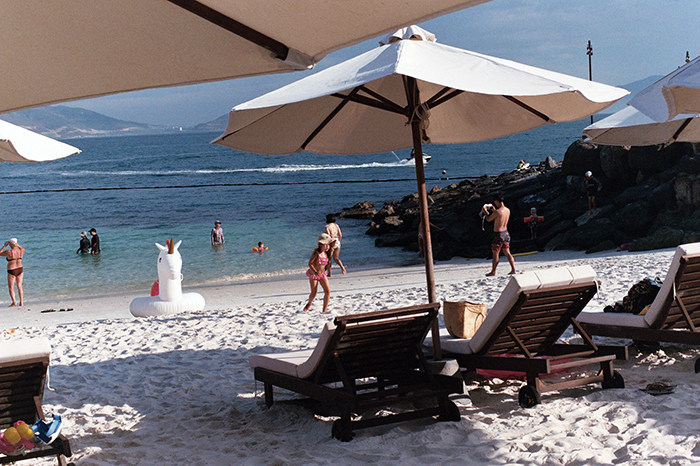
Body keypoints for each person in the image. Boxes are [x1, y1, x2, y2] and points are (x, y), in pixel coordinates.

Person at [482, 193, 516, 276]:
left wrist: (485, 212)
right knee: (507, 252)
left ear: (496, 201)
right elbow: (499, 216)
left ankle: (493, 271)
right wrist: (494, 210)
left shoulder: (497, 212)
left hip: (498, 234)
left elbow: (489, 219)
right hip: (506, 233)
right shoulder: (507, 210)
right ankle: (513, 269)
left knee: (495, 253)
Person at [303, 233, 333, 313]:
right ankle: (309, 303)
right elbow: (310, 263)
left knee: (327, 291)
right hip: (314, 274)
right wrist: (315, 271)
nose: (327, 247)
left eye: (328, 245)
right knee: (314, 293)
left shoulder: (326, 253)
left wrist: (328, 271)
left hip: (322, 274)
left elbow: (327, 264)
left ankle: (324, 309)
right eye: (325, 245)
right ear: (320, 245)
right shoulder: (316, 253)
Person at [0, 238, 25, 307]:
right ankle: (21, 302)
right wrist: (17, 245)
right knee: (19, 286)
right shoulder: (21, 250)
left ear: (10, 244)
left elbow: (0, 253)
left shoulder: (9, 252)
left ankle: (14, 302)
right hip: (20, 269)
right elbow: (23, 249)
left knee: (11, 287)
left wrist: (4, 246)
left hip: (12, 270)